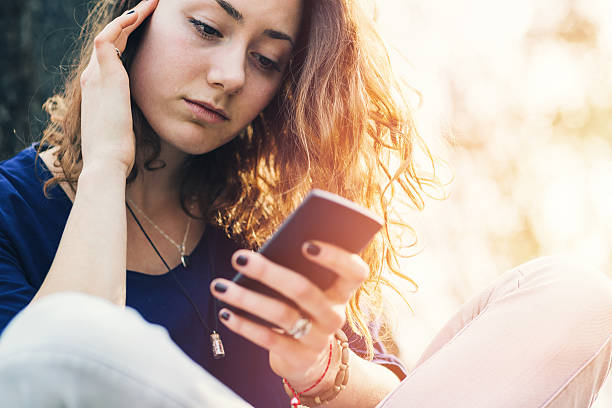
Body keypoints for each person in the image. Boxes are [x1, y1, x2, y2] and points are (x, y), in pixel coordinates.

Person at [0, 0, 611, 407]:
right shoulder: (11, 207)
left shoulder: (268, 221)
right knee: (67, 332)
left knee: (573, 294)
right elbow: (49, 369)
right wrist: (107, 163)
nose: (231, 74)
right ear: (134, 17)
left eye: (267, 59)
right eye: (208, 28)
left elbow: (416, 395)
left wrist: (318, 369)